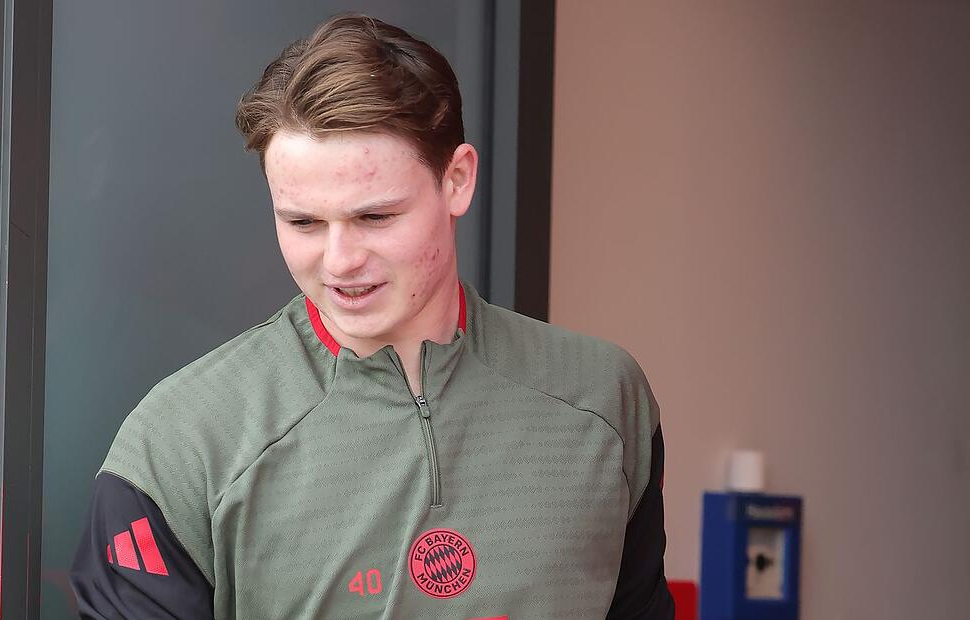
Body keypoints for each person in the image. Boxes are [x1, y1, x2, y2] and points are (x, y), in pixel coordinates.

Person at [70, 13, 672, 619]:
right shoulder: (182, 442)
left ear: (457, 180)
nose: (340, 261)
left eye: (375, 217)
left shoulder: (602, 398)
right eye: (303, 222)